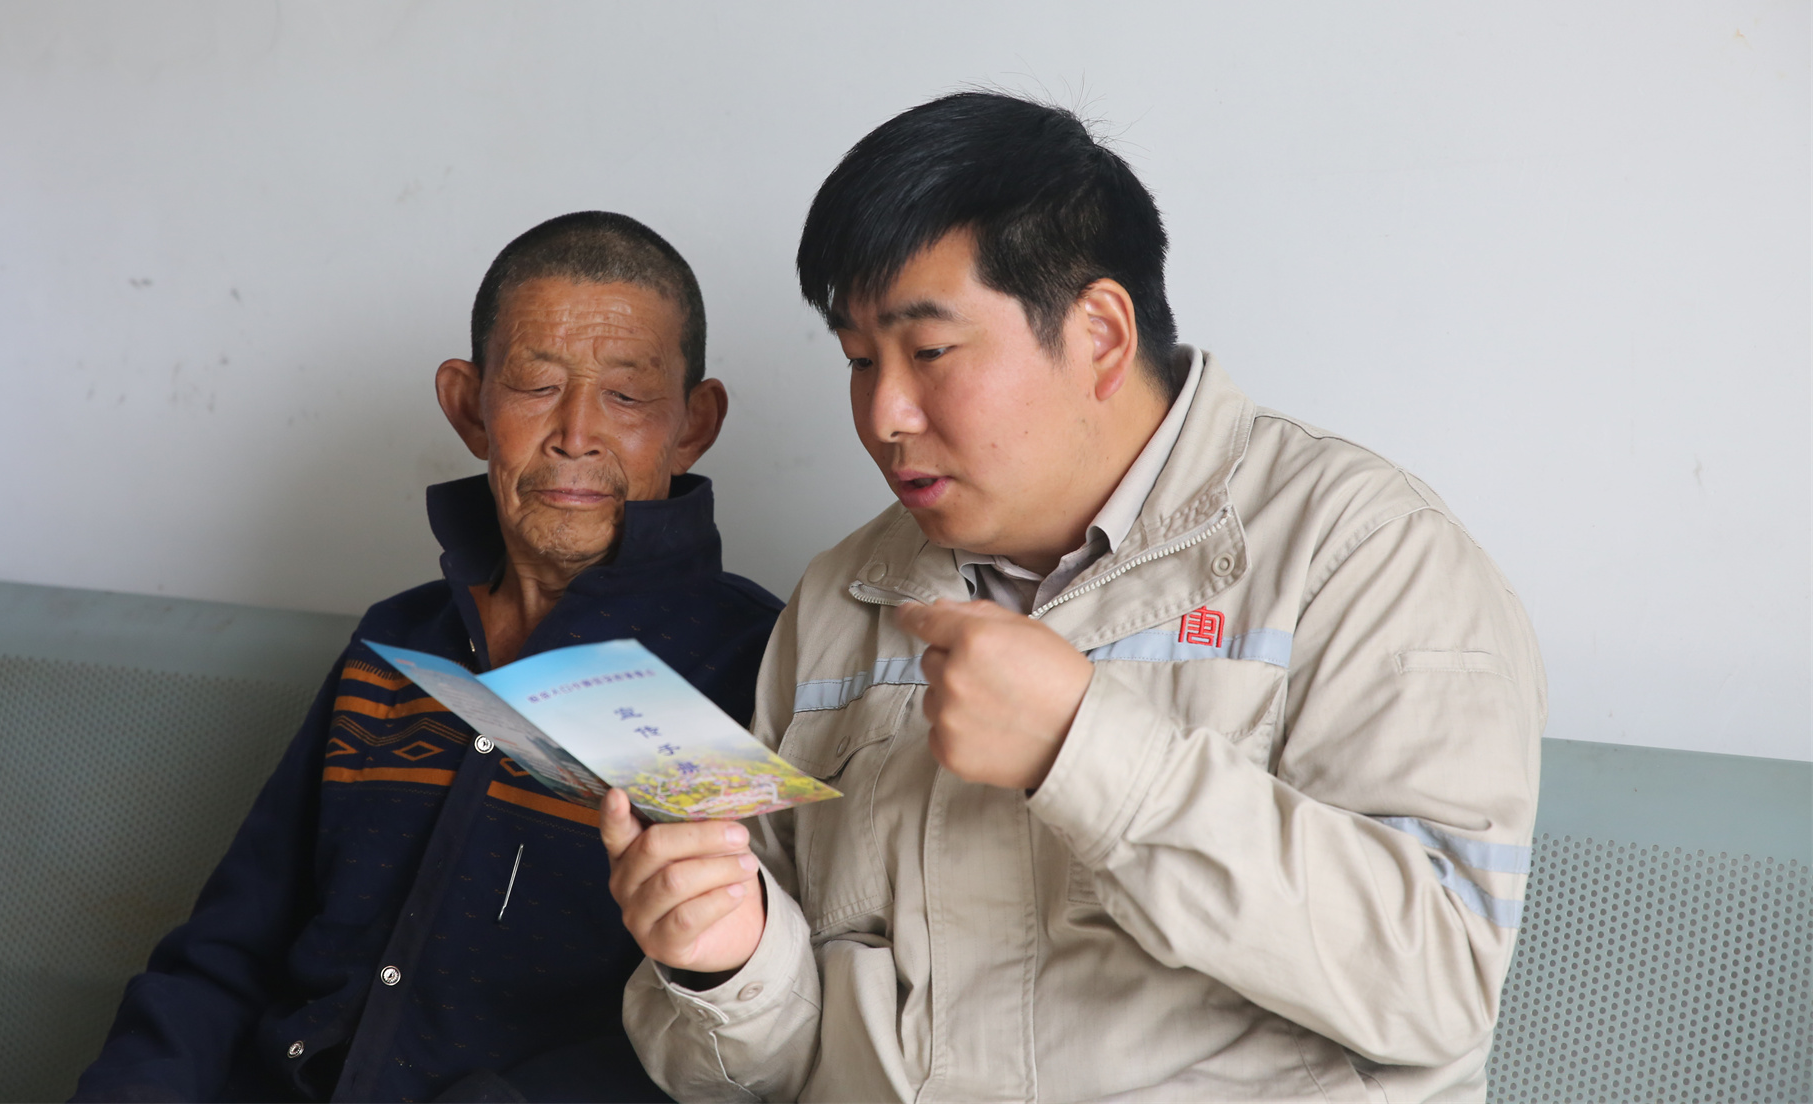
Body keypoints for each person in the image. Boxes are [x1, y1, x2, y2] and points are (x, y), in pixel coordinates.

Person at [607, 95, 1546, 1102]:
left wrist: (1084, 747)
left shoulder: (1364, 554)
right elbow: (758, 1070)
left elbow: (1440, 983)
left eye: (929, 352)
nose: (883, 413)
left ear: (1099, 333)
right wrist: (728, 964)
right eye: (858, 361)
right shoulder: (843, 594)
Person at [75, 212, 783, 1103]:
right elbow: (226, 954)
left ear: (694, 423)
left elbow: (740, 1038)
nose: (576, 433)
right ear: (468, 406)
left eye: (628, 396)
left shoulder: (750, 668)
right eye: (535, 386)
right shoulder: (398, 646)